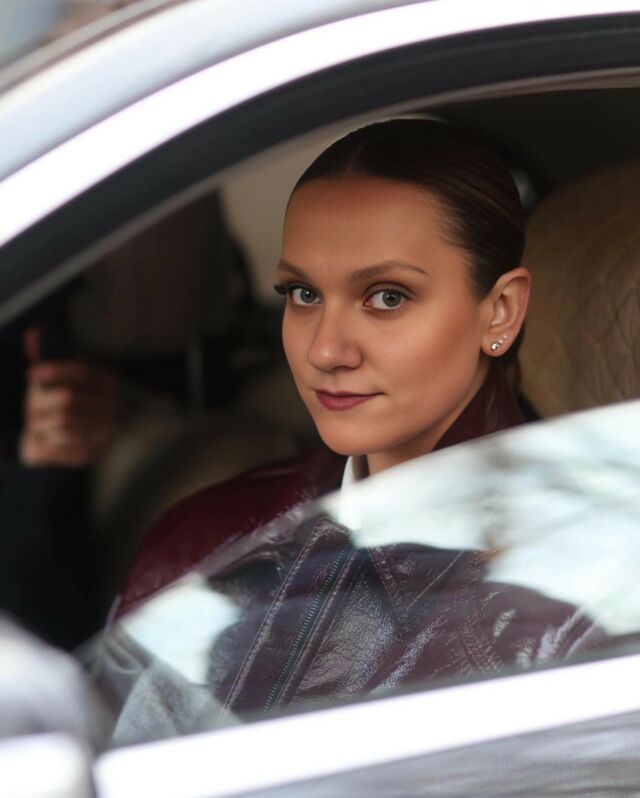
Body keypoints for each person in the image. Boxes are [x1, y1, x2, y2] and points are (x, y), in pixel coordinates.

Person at [100, 119, 604, 738]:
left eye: (387, 297)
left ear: (499, 311)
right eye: (303, 294)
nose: (325, 350)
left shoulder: (591, 591)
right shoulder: (202, 544)